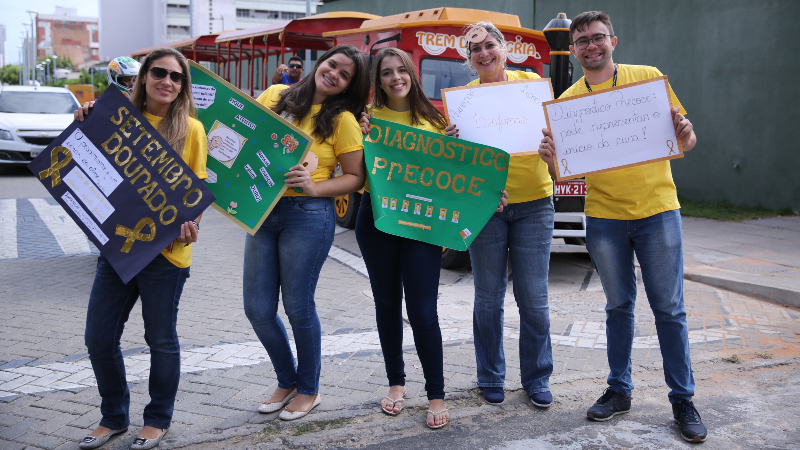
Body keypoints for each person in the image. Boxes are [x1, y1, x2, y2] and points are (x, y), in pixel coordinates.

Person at [538, 11, 706, 443]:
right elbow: (563, 176)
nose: (591, 46)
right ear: (572, 50)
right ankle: (619, 390)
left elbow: (684, 140)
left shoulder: (647, 79)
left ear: (614, 40)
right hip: (605, 217)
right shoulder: (568, 102)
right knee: (618, 307)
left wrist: (685, 132)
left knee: (669, 308)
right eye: (582, 42)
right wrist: (550, 157)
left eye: (598, 38)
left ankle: (682, 398)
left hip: (657, 210)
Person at [355, 47, 508, 429]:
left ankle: (436, 394)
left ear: (412, 74)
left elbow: (458, 172)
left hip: (423, 226)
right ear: (379, 80)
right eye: (387, 72)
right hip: (377, 220)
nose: (395, 78)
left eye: (401, 70)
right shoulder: (366, 119)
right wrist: (359, 135)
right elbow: (355, 169)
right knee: (386, 305)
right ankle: (396, 384)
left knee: (423, 311)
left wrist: (487, 193)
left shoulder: (436, 121)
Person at [74, 48, 208, 450]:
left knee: (161, 339)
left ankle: (157, 419)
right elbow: (85, 162)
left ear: (183, 85)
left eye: (176, 76)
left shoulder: (192, 130)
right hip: (118, 249)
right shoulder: (116, 117)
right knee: (98, 338)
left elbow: (196, 191)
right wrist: (83, 120)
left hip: (166, 254)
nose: (167, 81)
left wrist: (191, 226)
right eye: (159, 73)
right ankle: (113, 417)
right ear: (143, 77)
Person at [248, 45, 369, 421]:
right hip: (262, 210)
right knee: (258, 309)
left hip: (308, 215)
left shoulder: (343, 119)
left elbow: (355, 177)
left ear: (349, 84)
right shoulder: (275, 97)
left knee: (298, 306)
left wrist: (315, 188)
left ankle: (309, 389)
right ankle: (287, 379)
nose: (334, 73)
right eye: (332, 64)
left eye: (345, 74)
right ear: (322, 62)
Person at [445, 21, 555, 409]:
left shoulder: (531, 86)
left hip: (535, 205)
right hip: (486, 208)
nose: (484, 53)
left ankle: (537, 377)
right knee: (488, 298)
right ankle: (490, 376)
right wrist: (452, 146)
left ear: (504, 48)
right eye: (475, 50)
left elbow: (553, 133)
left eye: (490, 45)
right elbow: (456, 166)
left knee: (534, 298)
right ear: (469, 59)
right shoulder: (462, 103)